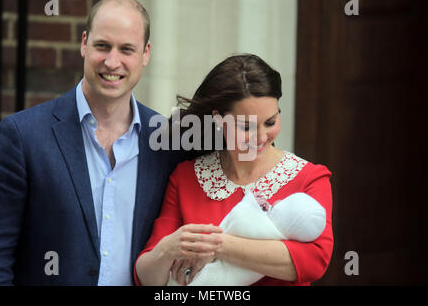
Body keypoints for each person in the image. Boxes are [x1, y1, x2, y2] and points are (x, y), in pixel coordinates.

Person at [0, 0, 187, 285]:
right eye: (103, 46)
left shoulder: (167, 142)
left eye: (127, 49)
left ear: (146, 53)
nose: (112, 62)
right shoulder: (22, 136)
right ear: (84, 43)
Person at [134, 54, 334, 286]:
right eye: (246, 126)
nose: (261, 137)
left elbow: (314, 261)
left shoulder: (309, 178)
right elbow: (146, 278)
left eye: (270, 122)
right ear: (219, 120)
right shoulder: (186, 177)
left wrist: (216, 247)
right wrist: (167, 250)